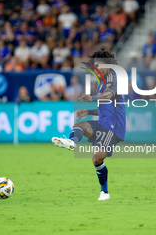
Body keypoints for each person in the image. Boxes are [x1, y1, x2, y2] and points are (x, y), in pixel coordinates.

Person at [52, 50, 126, 200]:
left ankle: (104, 192)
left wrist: (92, 97)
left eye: (100, 66)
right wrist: (89, 111)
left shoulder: (113, 77)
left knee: (97, 157)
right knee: (80, 126)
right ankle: (72, 142)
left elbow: (109, 94)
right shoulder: (101, 84)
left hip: (113, 127)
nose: (97, 69)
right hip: (103, 121)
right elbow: (105, 109)